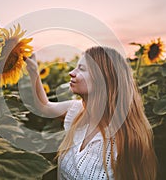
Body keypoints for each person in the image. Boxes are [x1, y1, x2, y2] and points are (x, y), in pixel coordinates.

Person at [24, 46, 157, 180]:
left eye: (81, 69)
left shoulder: (126, 140)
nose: (71, 73)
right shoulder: (77, 112)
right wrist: (33, 70)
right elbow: (44, 107)